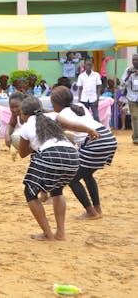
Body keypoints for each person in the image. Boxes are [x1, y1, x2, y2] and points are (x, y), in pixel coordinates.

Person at [18, 96, 79, 241]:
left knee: (30, 192)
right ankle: (60, 233)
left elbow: (22, 153)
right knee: (57, 190)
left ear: (25, 114)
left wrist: (32, 145)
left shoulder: (26, 126)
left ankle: (48, 233)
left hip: (50, 155)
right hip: (72, 156)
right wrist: (90, 131)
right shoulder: (52, 116)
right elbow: (73, 127)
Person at [50, 86, 117, 220]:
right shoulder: (80, 106)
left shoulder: (61, 116)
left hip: (95, 140)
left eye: (52, 104)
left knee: (73, 179)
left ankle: (91, 212)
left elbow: (71, 129)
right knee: (87, 174)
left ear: (57, 104)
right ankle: (97, 208)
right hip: (108, 137)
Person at [121, 53, 138, 144]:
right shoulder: (128, 70)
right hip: (132, 97)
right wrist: (128, 75)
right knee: (135, 117)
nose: (135, 61)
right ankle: (136, 138)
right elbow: (123, 84)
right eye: (133, 59)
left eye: (136, 59)